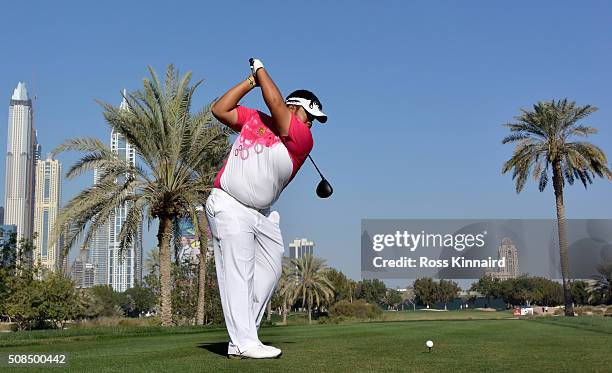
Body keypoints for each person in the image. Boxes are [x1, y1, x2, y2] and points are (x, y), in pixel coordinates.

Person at [207, 58, 327, 359]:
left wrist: (260, 71)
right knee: (239, 272)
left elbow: (274, 101)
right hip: (229, 204)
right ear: (294, 107)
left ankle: (243, 335)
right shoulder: (254, 120)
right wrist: (250, 81)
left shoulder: (302, 140)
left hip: (261, 216)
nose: (311, 123)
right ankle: (245, 341)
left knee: (271, 269)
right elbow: (219, 109)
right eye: (309, 115)